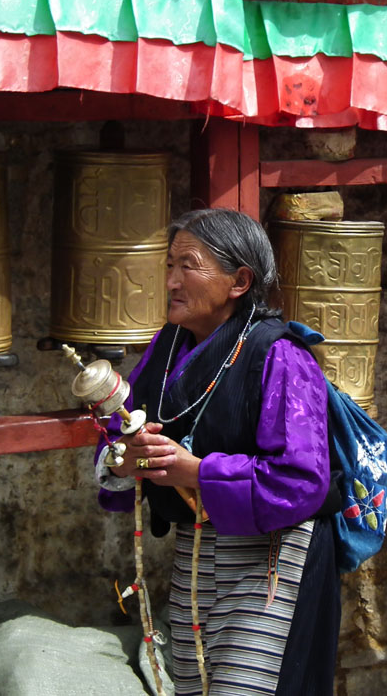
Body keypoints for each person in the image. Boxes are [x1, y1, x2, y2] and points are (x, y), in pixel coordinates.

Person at [94, 208, 341, 696]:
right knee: (197, 687)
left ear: (239, 281)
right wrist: (124, 460)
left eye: (188, 265)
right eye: (169, 266)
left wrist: (195, 471)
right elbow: (119, 434)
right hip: (198, 552)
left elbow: (300, 479)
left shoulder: (280, 355)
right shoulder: (166, 350)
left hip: (273, 561)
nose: (171, 281)